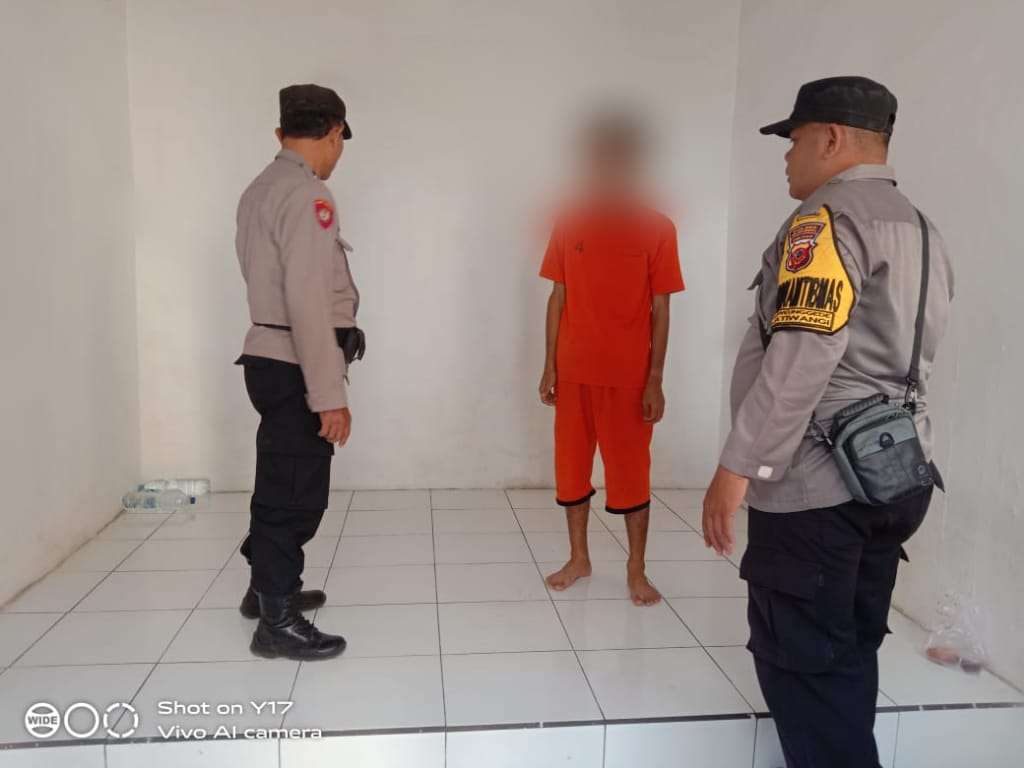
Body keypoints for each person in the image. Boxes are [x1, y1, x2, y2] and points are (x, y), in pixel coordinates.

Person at [702, 77, 954, 766]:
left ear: (832, 138)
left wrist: (738, 467)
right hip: (896, 473)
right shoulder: (920, 227)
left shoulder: (826, 221)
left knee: (805, 667)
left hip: (820, 485)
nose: (787, 156)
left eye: (793, 140)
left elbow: (803, 354)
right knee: (847, 650)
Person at [234, 83, 363, 661]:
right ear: (334, 133)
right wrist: (328, 394)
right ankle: (277, 623)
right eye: (340, 141)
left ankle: (266, 589)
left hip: (269, 356)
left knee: (280, 480)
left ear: (280, 132)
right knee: (295, 495)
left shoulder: (259, 188)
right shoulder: (308, 195)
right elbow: (308, 302)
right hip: (295, 363)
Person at [538, 113, 685, 606]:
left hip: (628, 377)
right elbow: (558, 297)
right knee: (571, 470)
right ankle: (579, 558)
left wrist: (655, 379)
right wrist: (550, 366)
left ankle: (636, 568)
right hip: (573, 373)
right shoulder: (568, 222)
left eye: (618, 160)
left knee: (630, 476)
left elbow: (661, 308)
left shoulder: (658, 229)